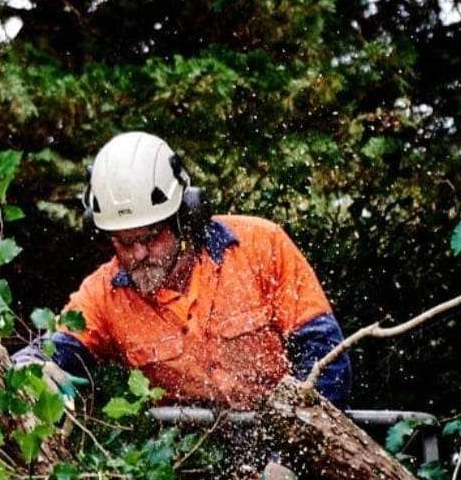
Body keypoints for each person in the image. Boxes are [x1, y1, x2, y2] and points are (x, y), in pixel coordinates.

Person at [17, 130, 351, 410]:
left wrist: (292, 457)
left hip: (286, 430)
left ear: (184, 217)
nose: (138, 254)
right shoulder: (104, 296)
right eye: (123, 242)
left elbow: (325, 357)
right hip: (196, 454)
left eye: (150, 237)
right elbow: (53, 348)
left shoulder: (260, 246)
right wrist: (30, 369)